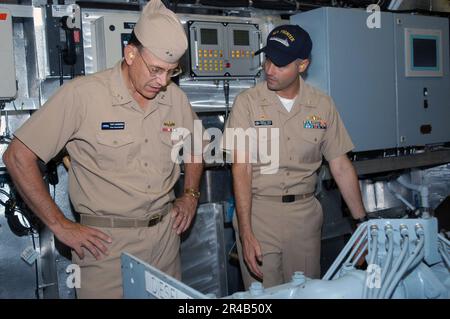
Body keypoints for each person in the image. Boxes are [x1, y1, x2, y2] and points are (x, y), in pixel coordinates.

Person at [3, 0, 203, 298]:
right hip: (105, 247)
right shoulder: (82, 96)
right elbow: (18, 156)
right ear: (130, 54)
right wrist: (61, 226)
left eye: (171, 72)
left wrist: (190, 195)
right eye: (156, 70)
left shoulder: (174, 98)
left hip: (165, 240)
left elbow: (197, 145)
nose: (162, 81)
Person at [225, 24, 367, 289]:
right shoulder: (248, 103)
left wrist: (361, 225)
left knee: (306, 293)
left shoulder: (322, 105)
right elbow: (241, 168)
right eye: (268, 59)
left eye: (280, 64)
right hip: (259, 215)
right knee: (264, 298)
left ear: (302, 65)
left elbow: (340, 165)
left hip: (304, 219)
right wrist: (245, 231)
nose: (269, 69)